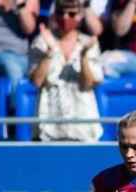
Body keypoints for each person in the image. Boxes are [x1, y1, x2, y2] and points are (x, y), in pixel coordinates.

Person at [28, 0, 104, 142]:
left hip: (82, 129)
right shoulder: (41, 41)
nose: (65, 17)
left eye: (71, 13)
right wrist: (49, 52)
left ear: (80, 16)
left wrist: (83, 57)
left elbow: (88, 84)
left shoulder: (89, 43)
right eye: (60, 13)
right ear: (54, 15)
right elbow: (37, 81)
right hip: (48, 130)